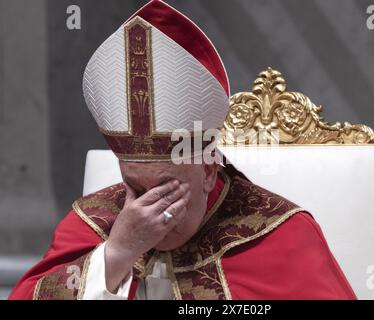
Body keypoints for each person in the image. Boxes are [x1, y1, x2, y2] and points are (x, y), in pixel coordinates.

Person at [9, 0, 356, 300]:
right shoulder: (93, 223)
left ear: (207, 170)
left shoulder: (281, 235)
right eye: (135, 188)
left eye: (166, 190)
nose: (148, 214)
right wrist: (116, 254)